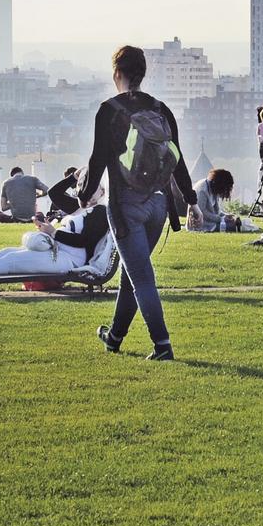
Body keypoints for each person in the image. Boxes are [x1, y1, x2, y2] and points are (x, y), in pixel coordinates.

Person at [83, 45, 201, 362]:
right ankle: (114, 338)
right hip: (158, 205)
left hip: (125, 205)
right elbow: (178, 161)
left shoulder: (108, 110)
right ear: (143, 73)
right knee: (132, 274)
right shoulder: (161, 109)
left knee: (142, 278)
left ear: (116, 73)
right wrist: (192, 202)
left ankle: (162, 346)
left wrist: (84, 197)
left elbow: (98, 161)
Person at [0, 179, 110, 279]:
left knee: (11, 260)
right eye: (82, 186)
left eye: (91, 188)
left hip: (69, 259)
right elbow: (55, 193)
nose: (83, 190)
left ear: (101, 192)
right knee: (6, 252)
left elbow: (85, 241)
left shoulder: (100, 212)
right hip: (56, 249)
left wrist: (53, 232)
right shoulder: (79, 207)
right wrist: (74, 176)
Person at [191, 168, 239, 232]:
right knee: (233, 227)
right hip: (202, 225)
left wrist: (226, 216)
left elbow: (217, 211)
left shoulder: (213, 189)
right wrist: (221, 219)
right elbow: (202, 212)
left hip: (211, 222)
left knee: (233, 224)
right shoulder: (202, 190)